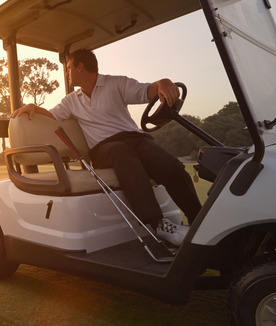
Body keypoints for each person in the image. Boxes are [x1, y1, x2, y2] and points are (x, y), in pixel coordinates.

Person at [10, 48, 202, 246]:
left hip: (135, 140)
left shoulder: (115, 83)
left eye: (68, 68)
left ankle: (199, 220)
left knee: (170, 165)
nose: (67, 73)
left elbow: (145, 91)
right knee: (121, 150)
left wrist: (163, 83)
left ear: (80, 67)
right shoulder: (71, 101)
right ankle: (158, 224)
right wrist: (34, 107)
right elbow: (51, 115)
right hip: (104, 149)